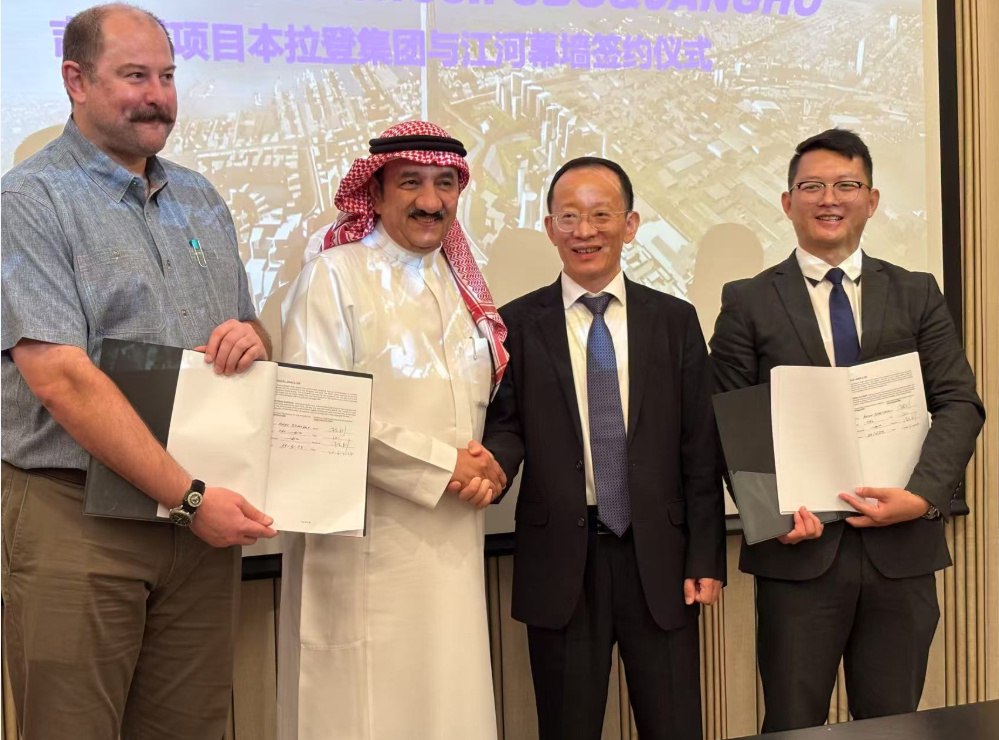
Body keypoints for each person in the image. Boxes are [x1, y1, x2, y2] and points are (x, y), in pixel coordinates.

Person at [0, 5, 278, 739]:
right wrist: (188, 498)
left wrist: (250, 339)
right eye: (134, 77)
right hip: (80, 519)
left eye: (167, 76)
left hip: (198, 528)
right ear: (76, 80)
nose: (158, 97)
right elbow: (60, 377)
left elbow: (252, 330)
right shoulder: (30, 200)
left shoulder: (200, 197)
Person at [709, 128, 985, 731]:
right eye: (812, 186)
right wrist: (773, 514)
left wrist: (921, 496)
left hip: (901, 553)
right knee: (794, 723)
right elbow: (731, 418)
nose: (829, 199)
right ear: (788, 202)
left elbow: (959, 403)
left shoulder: (916, 292)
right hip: (799, 555)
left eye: (846, 185)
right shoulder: (748, 301)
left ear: (872, 199)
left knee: (892, 722)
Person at [479, 156, 726, 740]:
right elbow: (507, 426)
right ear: (549, 228)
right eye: (568, 217)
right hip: (561, 559)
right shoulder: (516, 324)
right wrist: (491, 468)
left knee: (674, 726)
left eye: (600, 215)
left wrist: (706, 557)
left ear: (630, 225)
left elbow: (699, 446)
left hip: (660, 559)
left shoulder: (674, 320)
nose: (584, 231)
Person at [278, 121, 508, 740]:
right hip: (366, 548)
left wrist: (483, 468)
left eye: (445, 184)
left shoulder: (460, 284)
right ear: (375, 194)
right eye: (411, 183)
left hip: (454, 543)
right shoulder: (334, 275)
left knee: (448, 704)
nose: (430, 201)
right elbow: (322, 412)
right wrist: (443, 465)